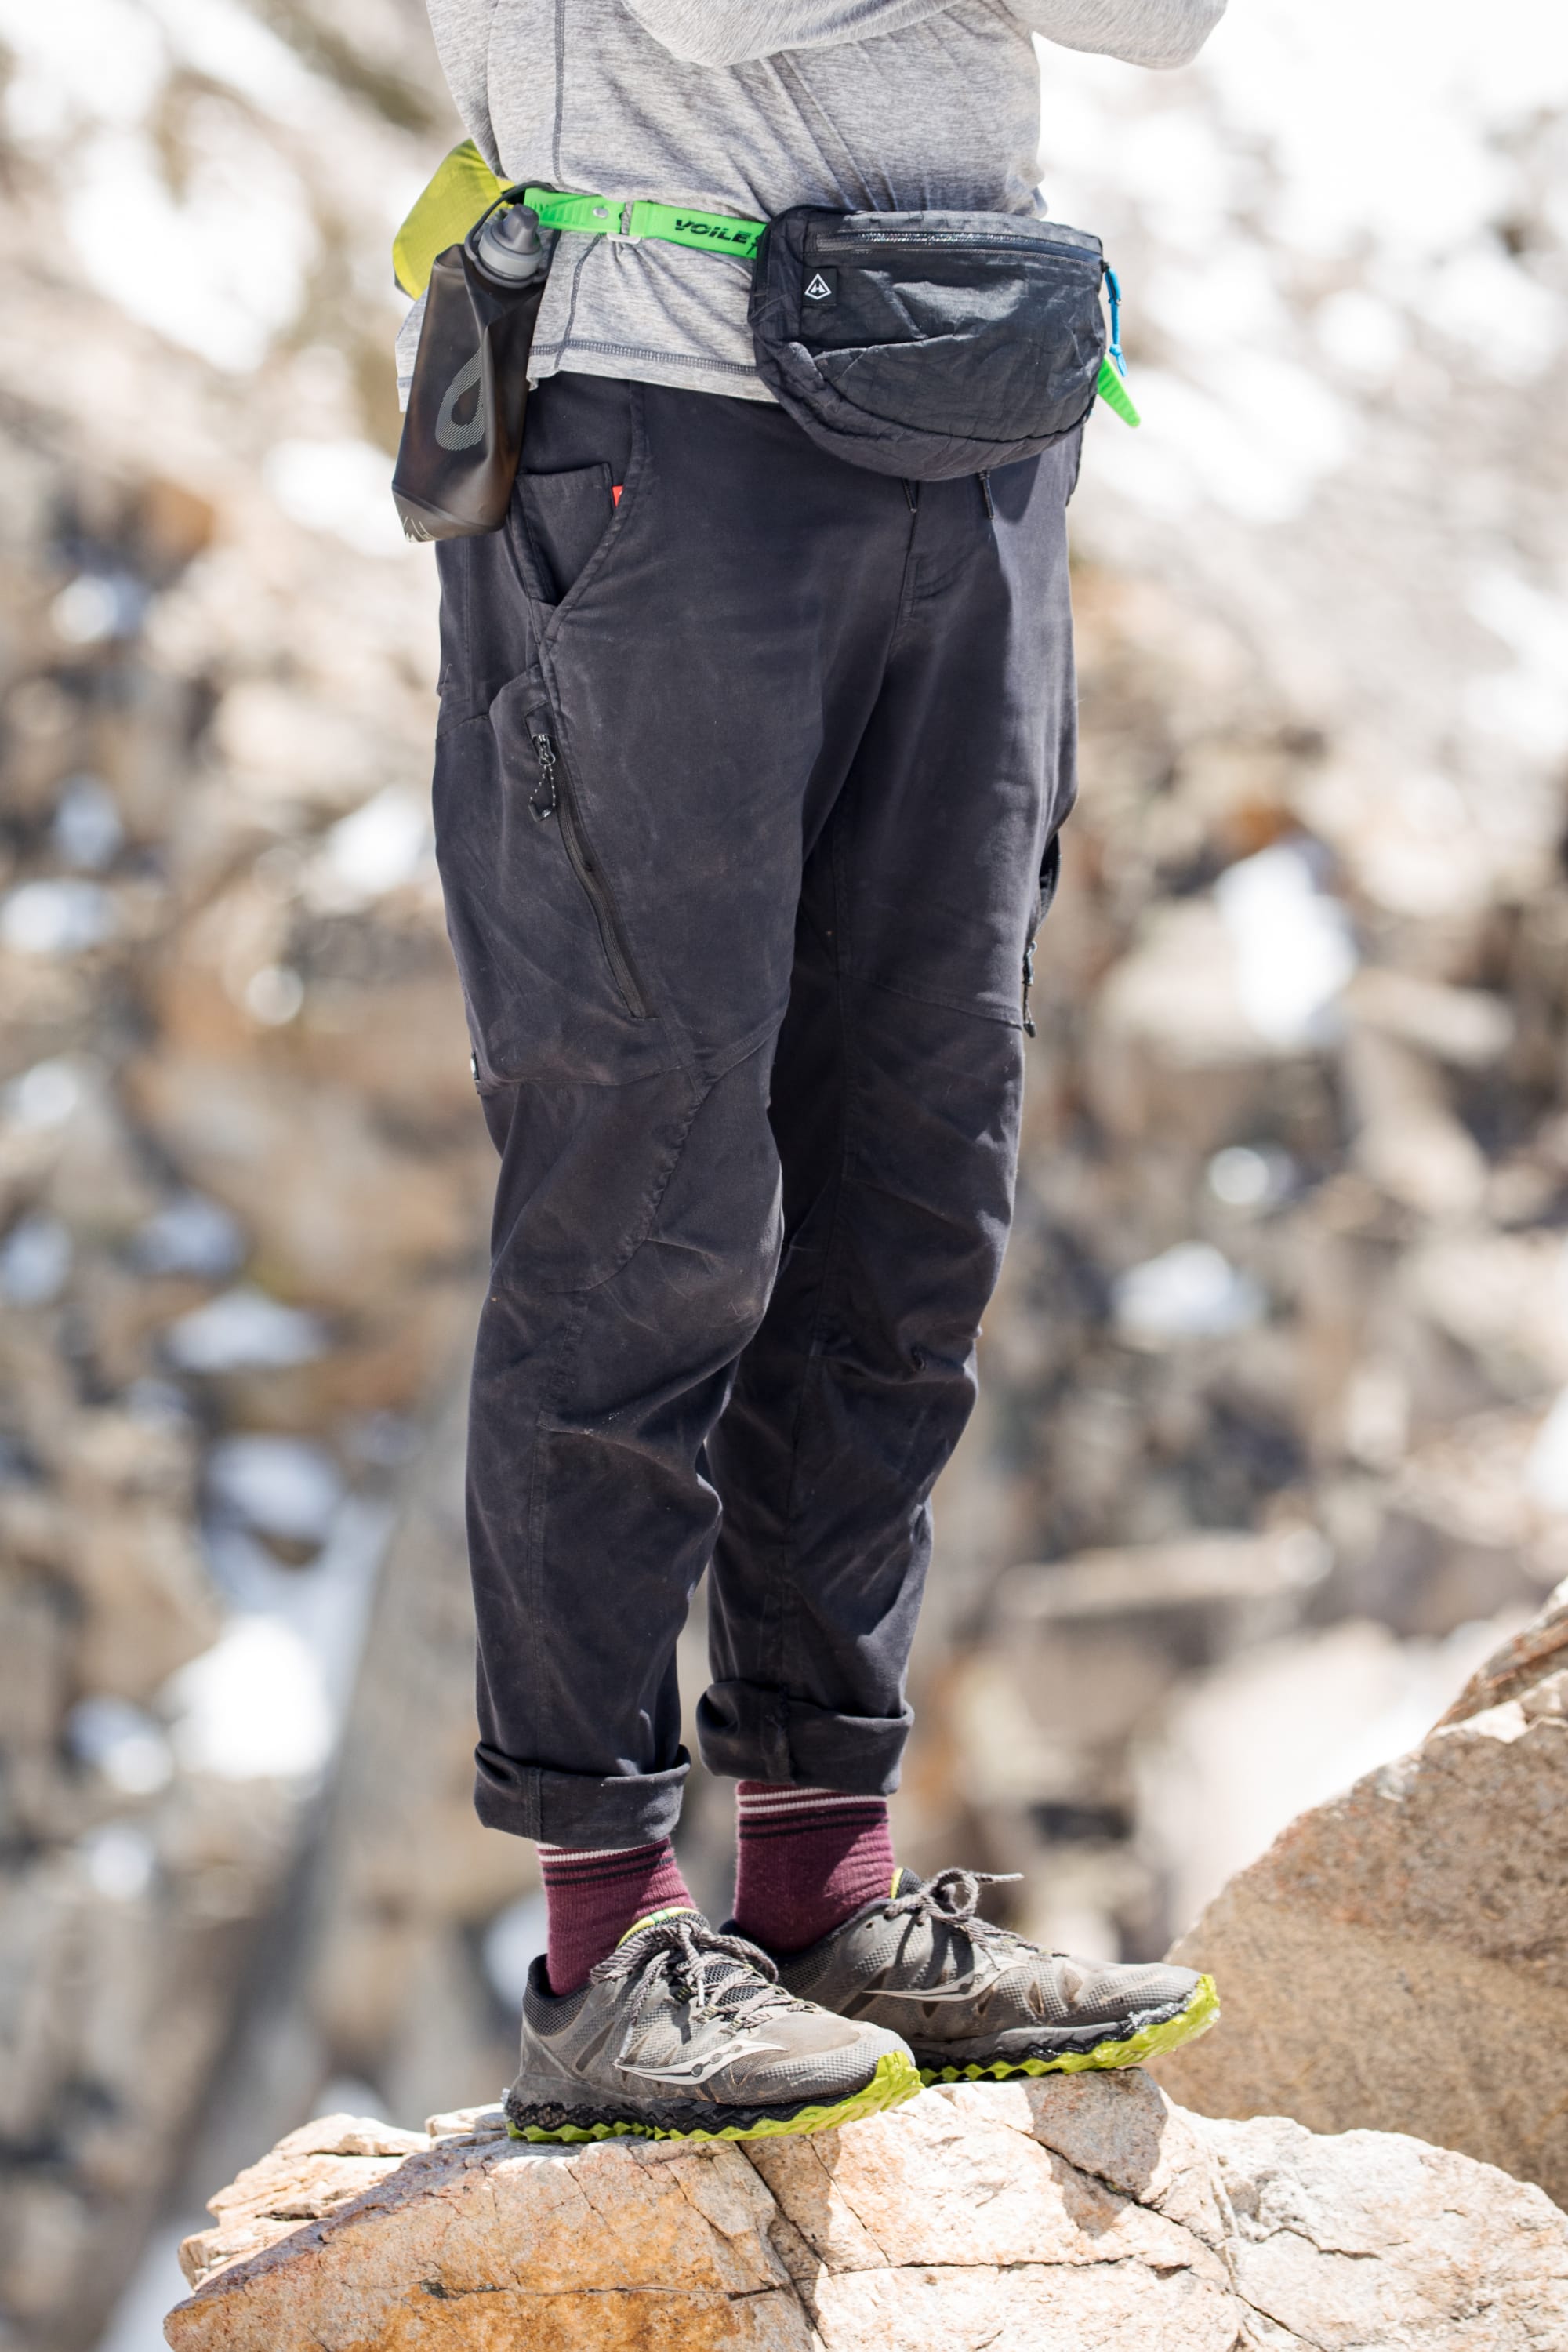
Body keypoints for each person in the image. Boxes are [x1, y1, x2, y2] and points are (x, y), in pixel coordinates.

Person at [419, 0, 1227, 2144]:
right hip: (647, 419)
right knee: (648, 1184)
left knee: (910, 1180)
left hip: (974, 423)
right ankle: (605, 1943)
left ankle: (821, 1893)